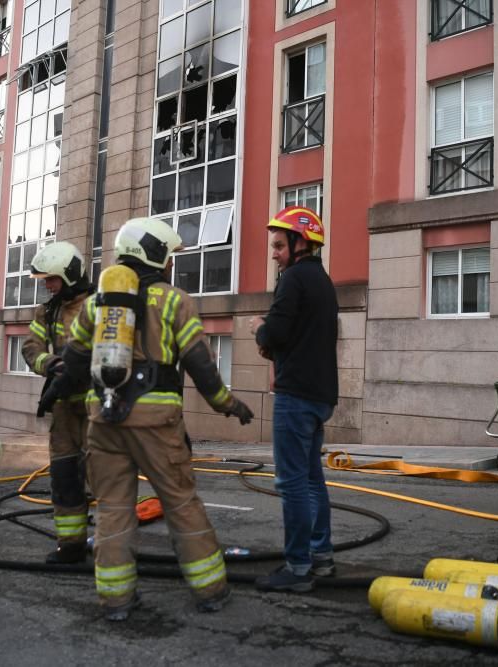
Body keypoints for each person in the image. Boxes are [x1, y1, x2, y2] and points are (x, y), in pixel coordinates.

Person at [54, 217, 254, 621]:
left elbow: (73, 361)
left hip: (104, 423)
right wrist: (227, 404)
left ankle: (115, 601)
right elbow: (200, 364)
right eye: (169, 257)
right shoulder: (174, 300)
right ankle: (210, 591)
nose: (171, 265)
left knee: (112, 508)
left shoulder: (96, 304)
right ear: (155, 255)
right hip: (156, 425)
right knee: (180, 502)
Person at [249, 206, 339, 593]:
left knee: (292, 483)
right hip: (320, 396)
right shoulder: (323, 281)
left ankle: (298, 567)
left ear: (301, 243)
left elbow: (277, 335)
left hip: (296, 396)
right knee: (313, 479)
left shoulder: (293, 280)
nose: (274, 253)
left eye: (279, 245)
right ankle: (321, 557)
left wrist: (259, 329)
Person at [21, 241, 94, 564]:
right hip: (63, 409)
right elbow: (30, 348)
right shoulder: (46, 312)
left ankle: (112, 547)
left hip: (96, 406)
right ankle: (72, 544)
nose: (48, 285)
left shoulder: (99, 306)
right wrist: (50, 364)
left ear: (70, 274)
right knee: (64, 476)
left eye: (51, 279)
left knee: (104, 477)